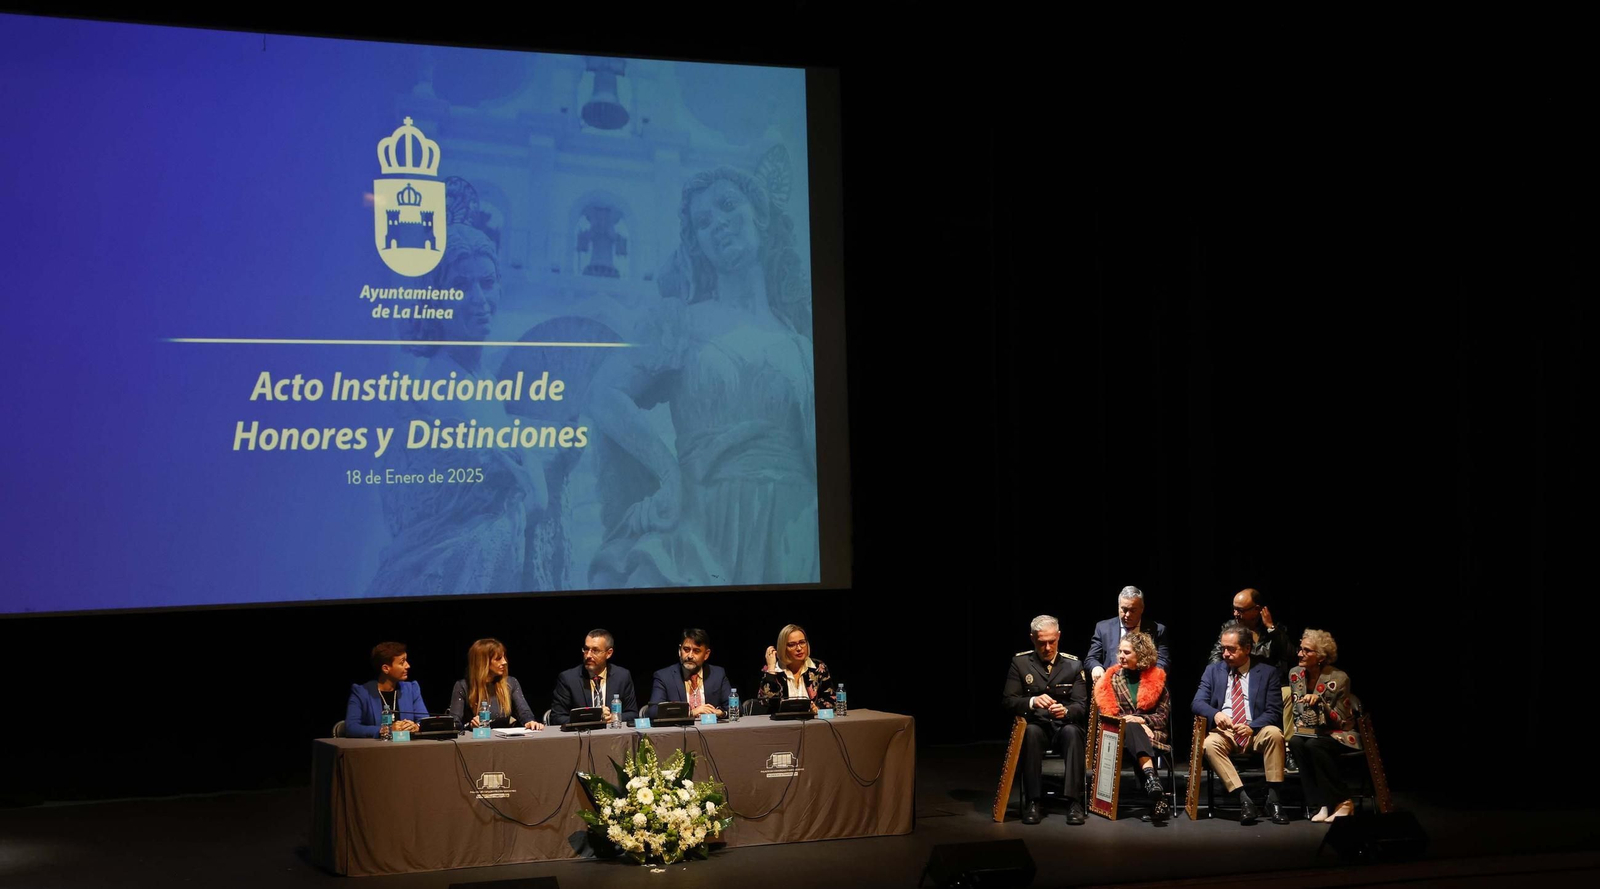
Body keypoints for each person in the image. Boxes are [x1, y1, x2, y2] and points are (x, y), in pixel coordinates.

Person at [589, 159, 818, 589]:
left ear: (760, 213)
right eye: (703, 222)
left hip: (794, 530)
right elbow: (605, 394)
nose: (718, 225)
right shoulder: (680, 323)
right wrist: (668, 473)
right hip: (701, 522)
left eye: (728, 206)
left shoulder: (802, 346)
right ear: (697, 243)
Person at [368, 223, 547, 597]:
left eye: (487, 282)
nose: (478, 299)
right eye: (460, 286)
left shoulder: (483, 381)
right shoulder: (441, 383)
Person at [1193, 622, 1290, 825]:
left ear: (1247, 649)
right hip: (1225, 732)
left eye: (1231, 649)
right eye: (1223, 649)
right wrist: (1216, 714)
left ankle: (1274, 800)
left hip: (1255, 731)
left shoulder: (1267, 672)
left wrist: (1252, 726)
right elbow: (1197, 702)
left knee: (1274, 734)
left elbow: (1274, 711)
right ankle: (1244, 800)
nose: (1225, 654)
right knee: (1209, 744)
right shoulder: (1213, 671)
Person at [1001, 615, 1089, 826]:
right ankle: (1033, 801)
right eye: (1042, 642)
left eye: (1052, 641)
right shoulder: (1020, 663)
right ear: (1032, 639)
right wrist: (1032, 701)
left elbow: (1081, 706)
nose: (1047, 647)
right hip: (1038, 725)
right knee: (1030, 732)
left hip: (1063, 726)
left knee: (1073, 733)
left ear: (1059, 636)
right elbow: (1008, 701)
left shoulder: (1073, 665)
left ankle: (1074, 801)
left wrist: (1065, 711)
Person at [1092, 631, 1172, 822]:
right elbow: (1109, 715)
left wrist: (1143, 721)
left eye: (1127, 652)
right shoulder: (1110, 680)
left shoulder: (1157, 680)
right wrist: (1134, 722)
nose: (1121, 656)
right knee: (1133, 730)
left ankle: (1154, 789)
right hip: (1118, 737)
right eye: (1119, 651)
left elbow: (1162, 717)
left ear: (1141, 654)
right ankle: (1154, 787)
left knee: (1136, 732)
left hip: (1152, 734)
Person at [1288, 629, 1362, 822]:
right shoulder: (1295, 674)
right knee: (1296, 742)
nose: (1300, 654)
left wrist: (1321, 703)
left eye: (1307, 651)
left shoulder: (1339, 678)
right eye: (1300, 649)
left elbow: (1343, 722)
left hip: (1338, 733)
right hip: (1311, 732)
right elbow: (1297, 710)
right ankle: (1320, 803)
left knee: (1315, 745)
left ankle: (1343, 801)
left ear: (1321, 657)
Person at [447, 638, 543, 731]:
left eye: (504, 657)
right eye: (498, 659)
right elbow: (454, 723)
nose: (504, 662)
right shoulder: (463, 686)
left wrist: (530, 722)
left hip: (503, 742)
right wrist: (470, 726)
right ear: (483, 663)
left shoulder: (510, 683)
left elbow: (524, 713)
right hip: (475, 741)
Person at [550, 628, 639, 725]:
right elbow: (556, 717)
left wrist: (613, 717)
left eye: (595, 650)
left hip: (613, 736)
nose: (588, 655)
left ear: (609, 653)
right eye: (586, 649)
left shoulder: (622, 676)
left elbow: (633, 714)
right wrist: (592, 719)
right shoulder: (568, 679)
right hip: (582, 736)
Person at [345, 641, 430, 738]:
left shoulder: (411, 689)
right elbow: (351, 728)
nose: (408, 666)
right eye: (402, 662)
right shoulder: (361, 693)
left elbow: (424, 721)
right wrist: (386, 730)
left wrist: (416, 727)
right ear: (386, 668)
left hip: (407, 749)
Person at [1086, 585, 1171, 681]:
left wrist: (1151, 677)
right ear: (1118, 607)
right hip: (1112, 684)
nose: (1127, 615)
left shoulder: (1157, 629)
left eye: (1133, 610)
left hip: (1145, 684)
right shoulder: (1103, 628)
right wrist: (1096, 667)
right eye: (1124, 609)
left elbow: (1163, 660)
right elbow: (1091, 658)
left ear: (1142, 609)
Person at [647, 628, 730, 719]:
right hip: (679, 731)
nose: (690, 656)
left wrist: (720, 713)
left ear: (706, 654)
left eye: (696, 651)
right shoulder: (664, 676)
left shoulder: (718, 674)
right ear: (679, 650)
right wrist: (690, 713)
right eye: (686, 649)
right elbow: (653, 711)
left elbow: (736, 708)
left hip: (712, 730)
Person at [755, 623, 836, 715]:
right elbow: (765, 702)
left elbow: (831, 699)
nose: (799, 648)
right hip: (781, 726)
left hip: (813, 723)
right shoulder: (773, 670)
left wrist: (817, 708)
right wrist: (771, 669)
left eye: (802, 642)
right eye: (792, 644)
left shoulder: (819, 668)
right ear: (783, 648)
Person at [1207, 587, 1290, 671]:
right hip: (1238, 676)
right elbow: (1216, 654)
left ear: (1256, 609)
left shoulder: (1275, 629)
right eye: (1234, 609)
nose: (1235, 614)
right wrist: (1217, 674)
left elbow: (1288, 654)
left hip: (1267, 678)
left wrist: (1270, 628)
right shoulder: (1230, 626)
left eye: (1240, 610)